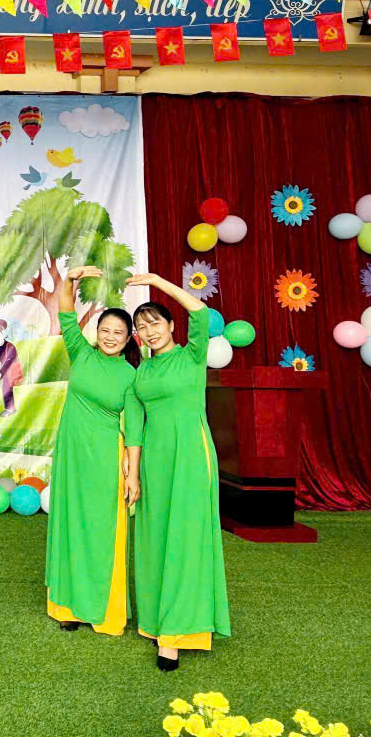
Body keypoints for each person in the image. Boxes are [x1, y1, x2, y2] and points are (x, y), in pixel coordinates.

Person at [127, 272, 231, 671]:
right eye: (141, 327)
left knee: (186, 537)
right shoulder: (141, 373)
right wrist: (133, 473)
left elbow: (200, 313)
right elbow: (134, 425)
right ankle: (156, 621)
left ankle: (176, 633)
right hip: (154, 460)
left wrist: (157, 281)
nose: (149, 331)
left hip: (190, 455)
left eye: (155, 322)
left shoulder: (192, 355)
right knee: (155, 537)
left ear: (171, 325)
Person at [45, 266, 142, 636]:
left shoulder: (132, 376)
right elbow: (66, 313)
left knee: (101, 531)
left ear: (128, 338)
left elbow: (134, 429)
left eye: (118, 332)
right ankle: (68, 606)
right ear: (96, 333)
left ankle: (103, 609)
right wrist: (71, 279)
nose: (110, 337)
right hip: (71, 455)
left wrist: (132, 474)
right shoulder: (81, 354)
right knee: (71, 525)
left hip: (105, 458)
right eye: (105, 330)